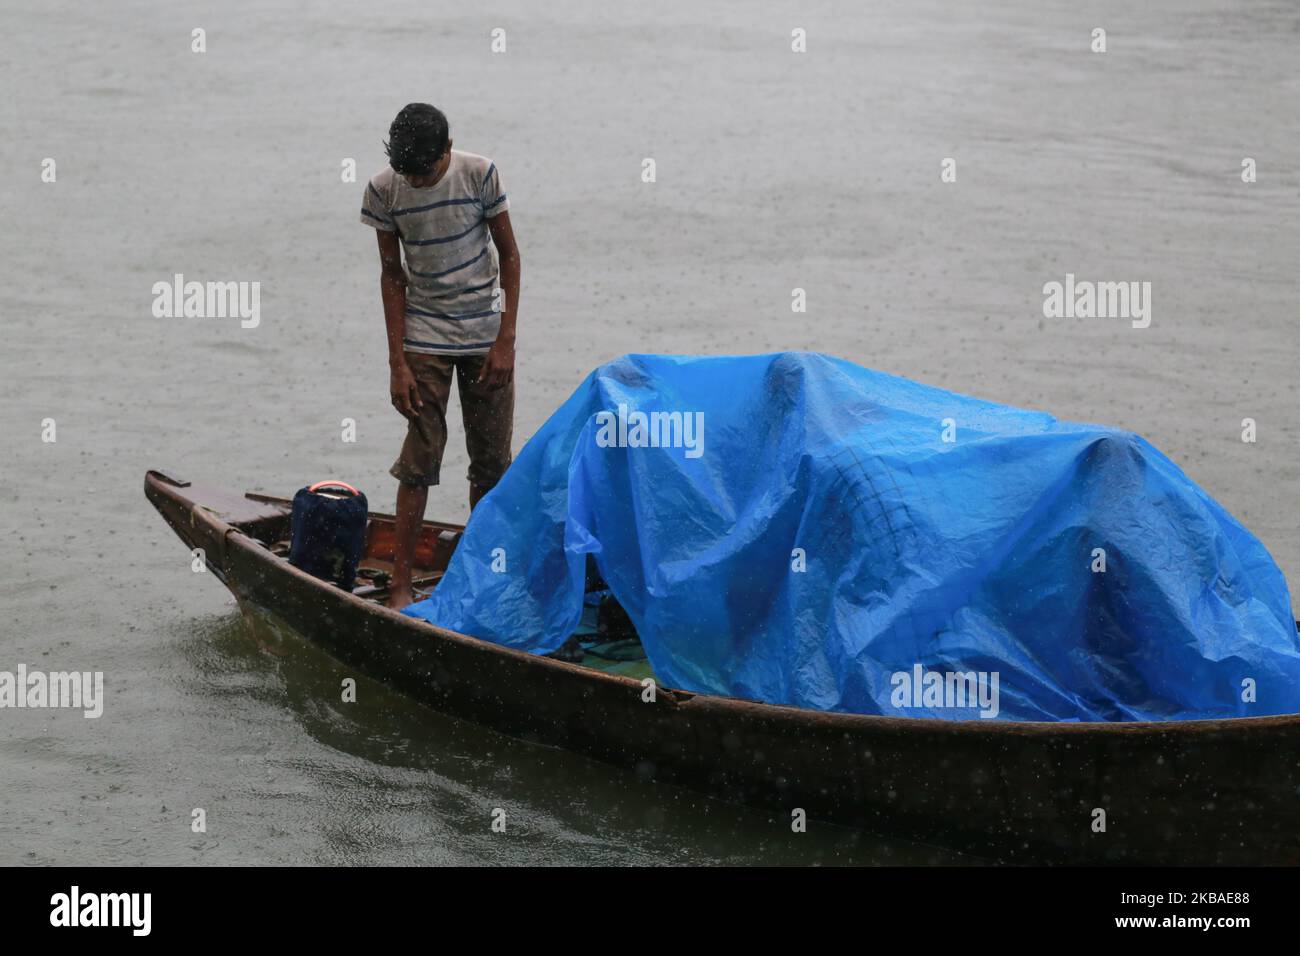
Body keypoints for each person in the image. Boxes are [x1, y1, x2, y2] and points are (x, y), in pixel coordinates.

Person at [359, 103, 521, 609]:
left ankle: (485, 580)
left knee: (491, 466)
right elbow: (392, 275)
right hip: (424, 337)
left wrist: (505, 342)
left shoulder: (480, 174)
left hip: (485, 337)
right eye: (408, 171)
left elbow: (510, 256)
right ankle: (401, 583)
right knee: (419, 460)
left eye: (425, 171)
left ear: (447, 151)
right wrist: (397, 363)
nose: (417, 180)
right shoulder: (384, 189)